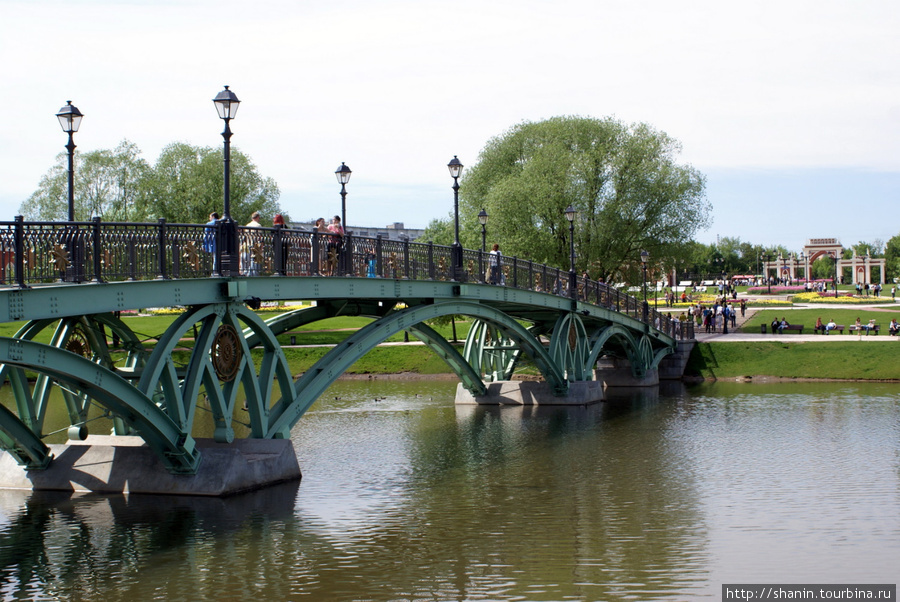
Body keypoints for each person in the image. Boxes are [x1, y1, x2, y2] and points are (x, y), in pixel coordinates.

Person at [242, 211, 263, 276]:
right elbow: (260, 237)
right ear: (257, 217)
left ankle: (247, 272)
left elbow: (244, 236)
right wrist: (261, 245)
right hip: (255, 244)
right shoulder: (258, 225)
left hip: (248, 243)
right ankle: (253, 273)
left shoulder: (247, 225)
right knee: (254, 259)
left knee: (248, 259)